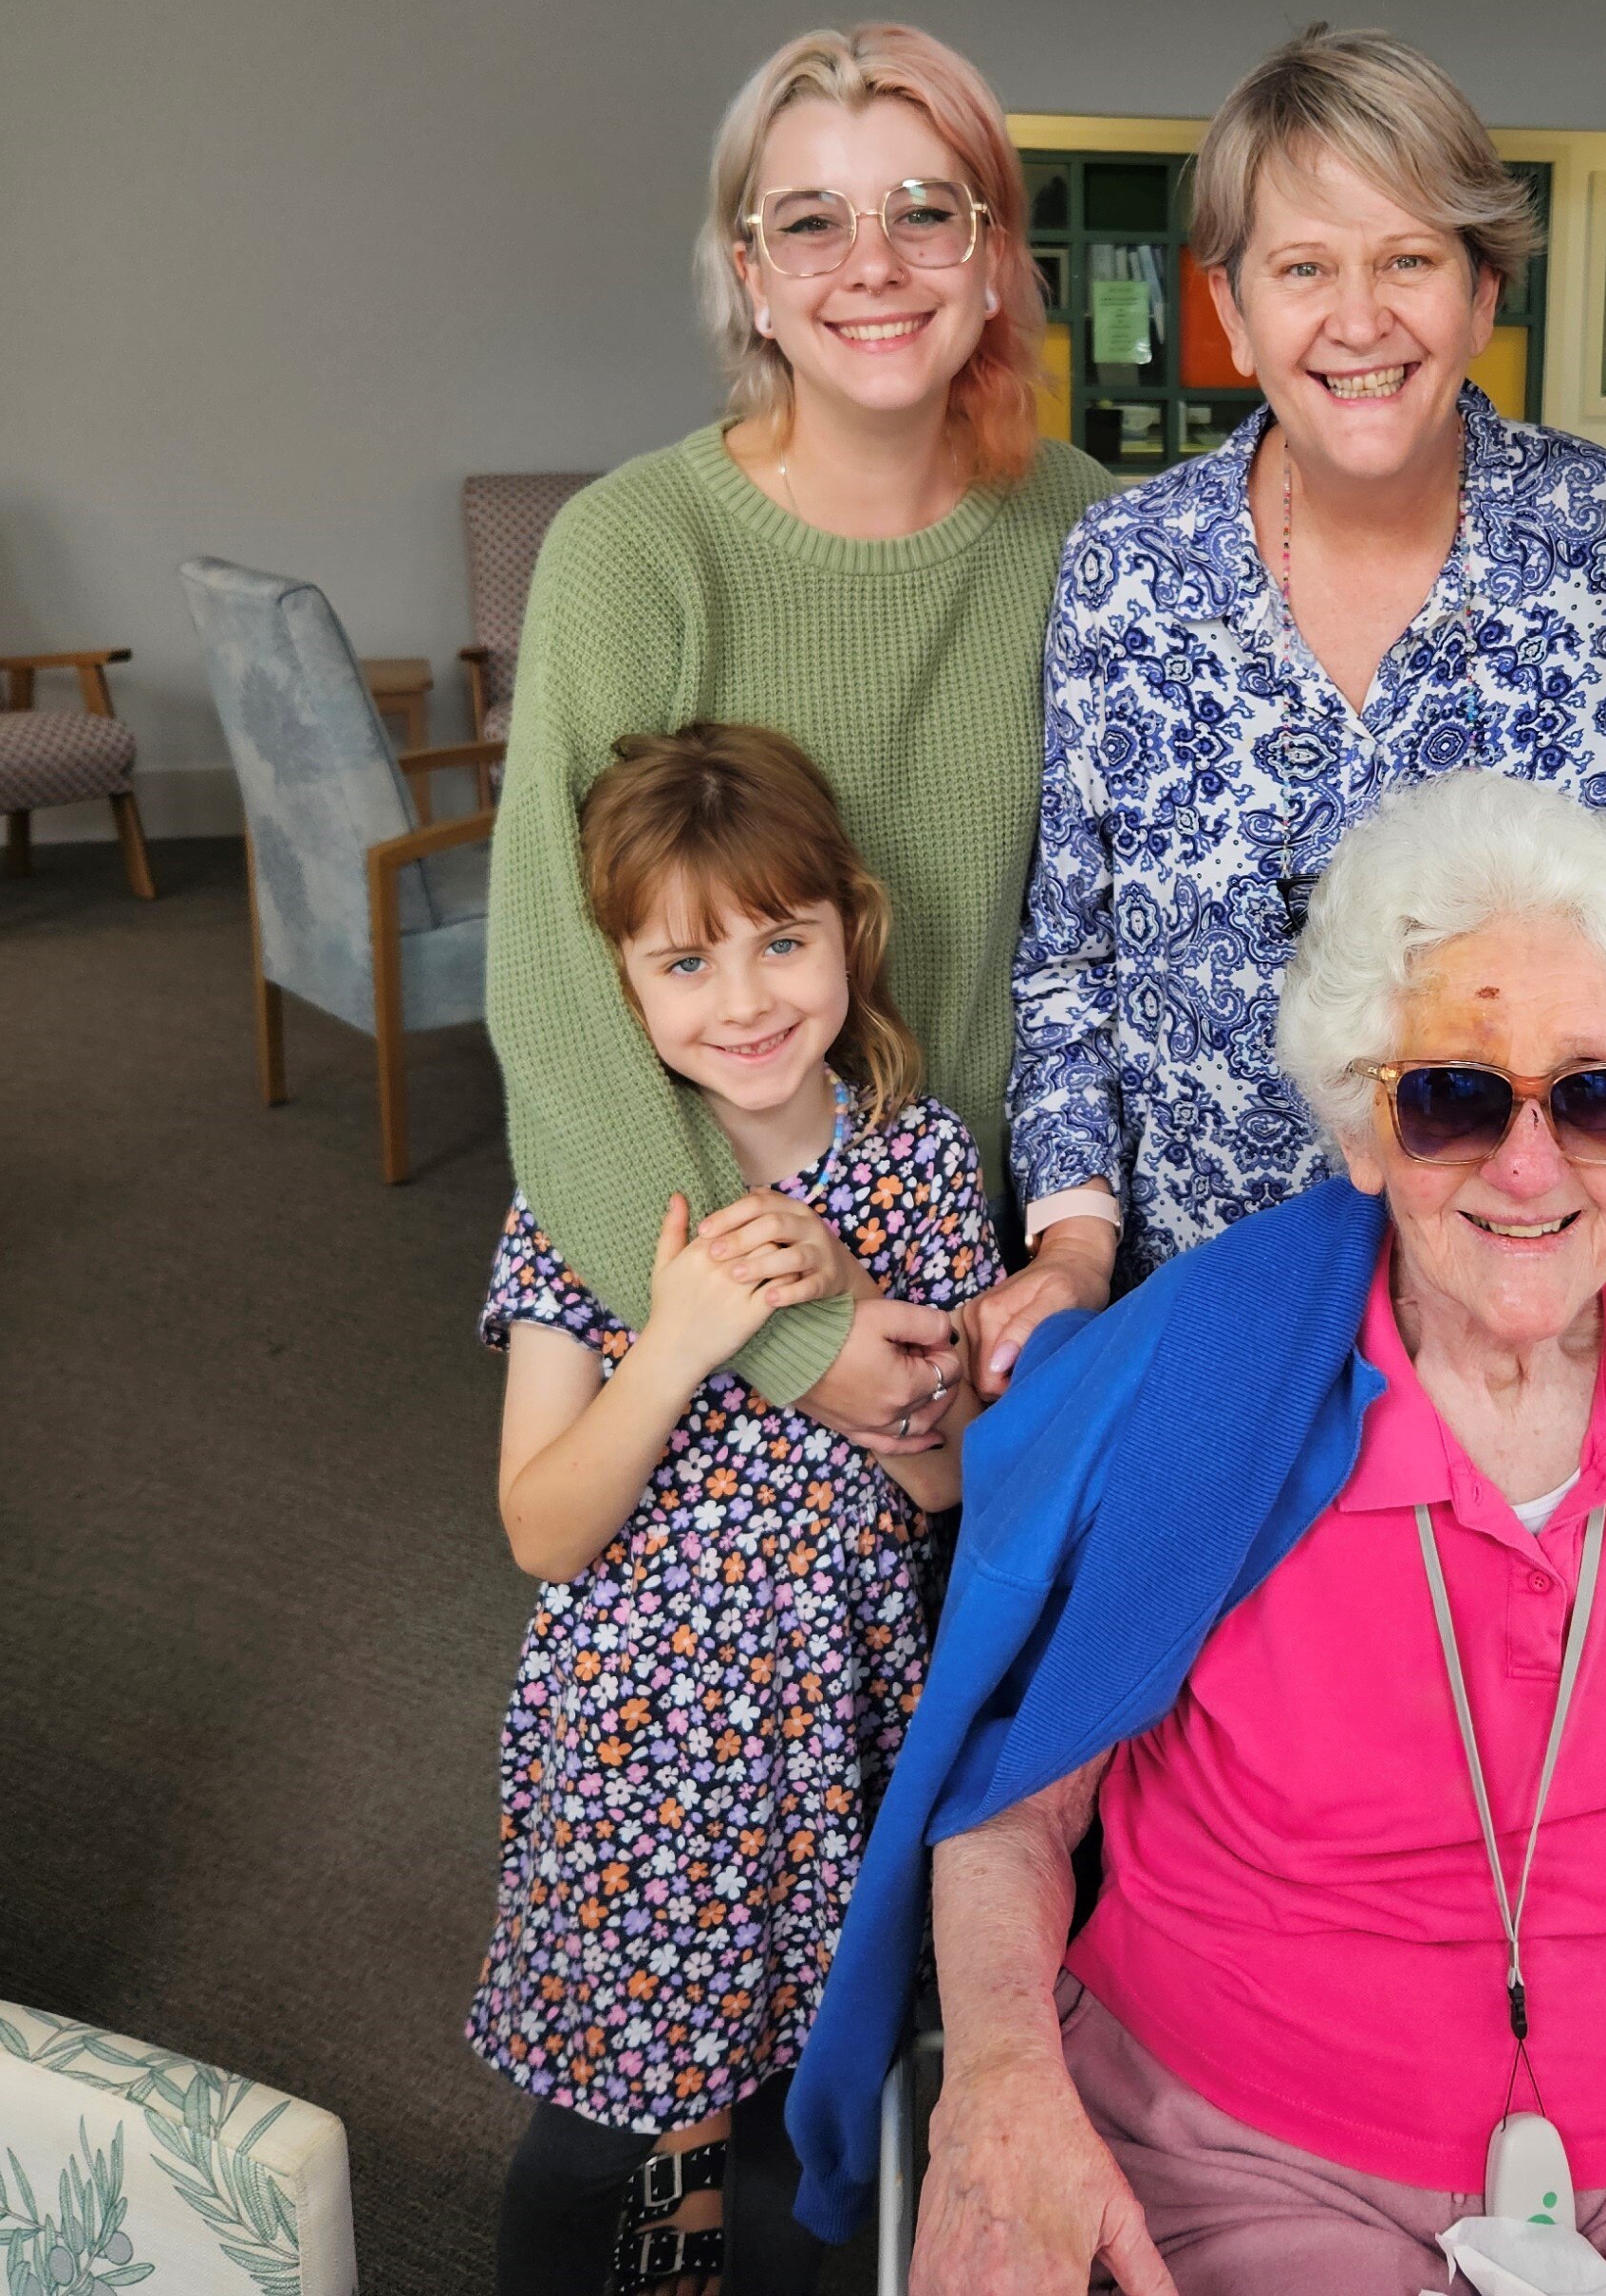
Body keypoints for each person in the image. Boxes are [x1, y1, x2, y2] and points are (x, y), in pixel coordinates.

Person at [791, 775, 1606, 2296]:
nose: (1533, 1166)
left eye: (1600, 1097)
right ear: (1365, 1124)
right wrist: (1007, 2085)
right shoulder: (1208, 1387)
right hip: (1243, 2160)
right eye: (1455, 1100)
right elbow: (1017, 1808)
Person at [981, 29, 1606, 1373]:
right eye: (1305, 268)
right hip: (1210, 1311)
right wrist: (1074, 1243)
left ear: (1482, 287)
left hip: (1546, 1327)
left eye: (1409, 260)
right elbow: (1069, 967)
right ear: (1232, 305)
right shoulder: (1126, 571)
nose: (1359, 319)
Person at [488, 22, 1110, 1469]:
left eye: (925, 211)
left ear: (995, 257)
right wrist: (788, 1331)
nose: (872, 264)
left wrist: (1067, 1265)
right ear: (750, 275)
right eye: (812, 222)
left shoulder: (1093, 531)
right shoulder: (633, 553)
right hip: (719, 1277)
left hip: (1021, 1294)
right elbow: (553, 994)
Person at [475, 725, 1002, 2296]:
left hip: (840, 1716)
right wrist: (696, 1338)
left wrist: (851, 1304)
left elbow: (953, 1478)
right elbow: (541, 1528)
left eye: (784, 941)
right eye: (687, 962)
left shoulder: (915, 1167)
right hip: (642, 1747)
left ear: (852, 927)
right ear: (622, 986)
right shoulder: (596, 1181)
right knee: (635, 2129)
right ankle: (660, 2242)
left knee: (804, 2106)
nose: (750, 999)